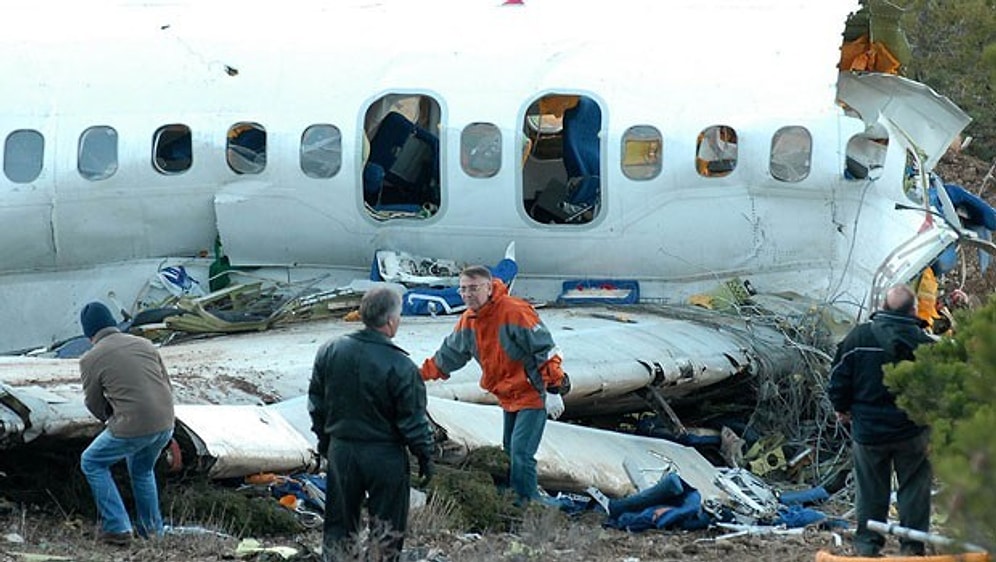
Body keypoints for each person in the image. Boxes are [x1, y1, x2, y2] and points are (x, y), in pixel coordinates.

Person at [421, 265, 567, 505]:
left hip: (533, 393)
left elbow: (545, 349)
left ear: (488, 288)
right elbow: (448, 356)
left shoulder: (515, 312)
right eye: (463, 289)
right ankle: (511, 500)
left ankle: (528, 505)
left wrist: (553, 389)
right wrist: (417, 376)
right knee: (509, 453)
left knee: (521, 453)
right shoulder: (469, 321)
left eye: (473, 289)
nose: (467, 295)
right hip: (508, 397)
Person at [308, 287, 434, 562]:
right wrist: (424, 454)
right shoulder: (402, 365)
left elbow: (317, 404)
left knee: (339, 526)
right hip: (384, 455)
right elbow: (412, 420)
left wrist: (324, 442)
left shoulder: (329, 350)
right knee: (386, 530)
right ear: (390, 321)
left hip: (342, 448)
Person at [827, 284, 936, 557]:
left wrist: (842, 409)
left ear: (882, 307)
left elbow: (838, 380)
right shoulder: (925, 345)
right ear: (913, 310)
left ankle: (867, 545)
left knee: (871, 490)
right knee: (914, 488)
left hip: (868, 432)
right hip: (912, 431)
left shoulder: (859, 337)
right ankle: (912, 546)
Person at [77, 301, 175, 546]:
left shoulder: (91, 358)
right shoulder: (145, 345)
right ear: (113, 323)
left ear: (89, 334)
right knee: (142, 471)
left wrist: (109, 419)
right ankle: (153, 530)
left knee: (92, 461)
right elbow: (166, 384)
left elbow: (93, 402)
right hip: (165, 423)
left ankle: (117, 526)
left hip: (133, 425)